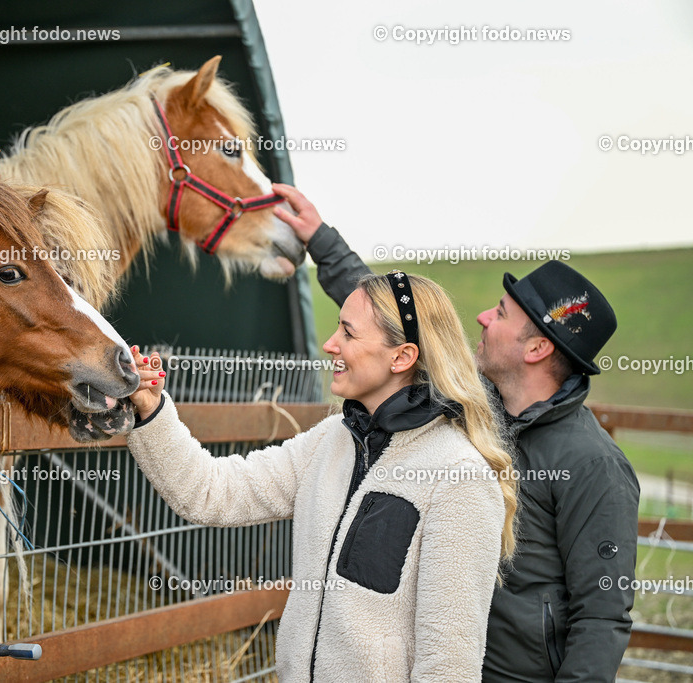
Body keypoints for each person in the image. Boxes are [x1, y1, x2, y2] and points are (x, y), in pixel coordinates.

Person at [271, 182, 640, 682]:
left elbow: (601, 616)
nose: (483, 317)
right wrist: (320, 239)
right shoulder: (466, 404)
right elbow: (393, 324)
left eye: (502, 313)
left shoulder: (593, 465)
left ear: (536, 349)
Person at [126, 268, 518, 681]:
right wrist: (152, 410)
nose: (330, 344)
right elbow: (210, 492)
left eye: (348, 333)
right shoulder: (330, 441)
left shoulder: (459, 478)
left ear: (401, 357)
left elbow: (449, 665)